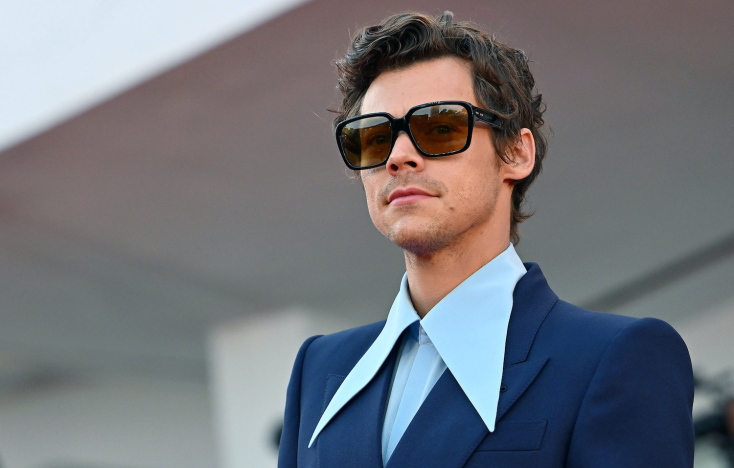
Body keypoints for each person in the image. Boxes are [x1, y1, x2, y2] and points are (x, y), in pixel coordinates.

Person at [278, 11, 694, 468]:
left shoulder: (616, 357)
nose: (397, 156)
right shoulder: (319, 369)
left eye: (440, 127)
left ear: (515, 152)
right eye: (374, 138)